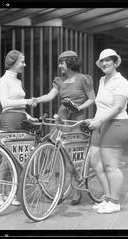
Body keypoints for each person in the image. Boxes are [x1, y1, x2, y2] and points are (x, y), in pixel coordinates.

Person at [32, 50, 95, 205]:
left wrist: (79, 108)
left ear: (70, 62)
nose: (60, 66)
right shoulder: (59, 80)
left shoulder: (83, 79)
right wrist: (35, 99)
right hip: (62, 119)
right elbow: (49, 96)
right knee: (57, 152)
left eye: (62, 62)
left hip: (77, 119)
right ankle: (58, 188)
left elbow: (92, 99)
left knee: (75, 154)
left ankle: (76, 191)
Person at [87, 49, 128, 214]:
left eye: (108, 60)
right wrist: (94, 120)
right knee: (96, 163)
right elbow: (102, 106)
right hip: (100, 124)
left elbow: (117, 106)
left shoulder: (121, 81)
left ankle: (115, 202)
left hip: (116, 124)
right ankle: (107, 198)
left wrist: (99, 120)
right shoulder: (102, 80)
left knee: (110, 165)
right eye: (102, 61)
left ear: (114, 62)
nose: (105, 63)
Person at [0, 49, 37, 206]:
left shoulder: (18, 81)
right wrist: (26, 102)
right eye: (21, 61)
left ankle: (10, 193)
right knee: (7, 158)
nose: (24, 64)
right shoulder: (3, 81)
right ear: (13, 62)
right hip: (9, 119)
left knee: (19, 158)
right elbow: (5, 103)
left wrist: (30, 117)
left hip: (21, 119)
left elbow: (20, 106)